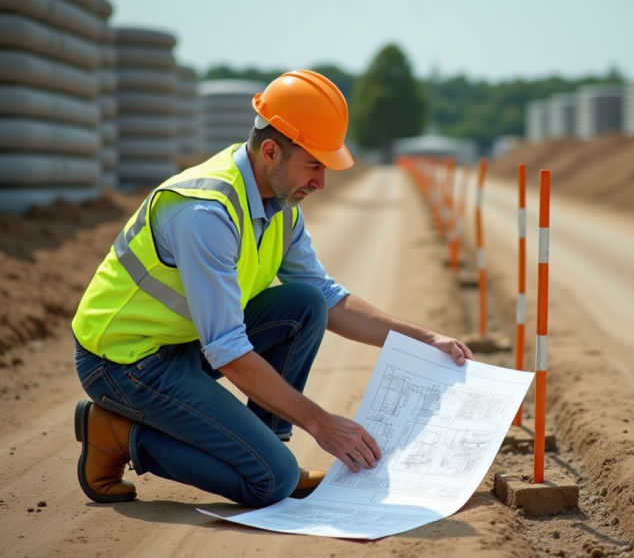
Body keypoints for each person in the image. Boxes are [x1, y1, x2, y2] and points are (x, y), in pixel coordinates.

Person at [71, 70, 474, 507]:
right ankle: (120, 433)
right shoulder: (205, 213)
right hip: (123, 362)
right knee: (269, 484)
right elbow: (227, 350)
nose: (321, 182)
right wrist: (319, 422)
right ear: (270, 151)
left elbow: (328, 298)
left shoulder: (279, 204)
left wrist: (426, 339)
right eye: (314, 164)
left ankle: (266, 445)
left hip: (182, 348)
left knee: (304, 304)